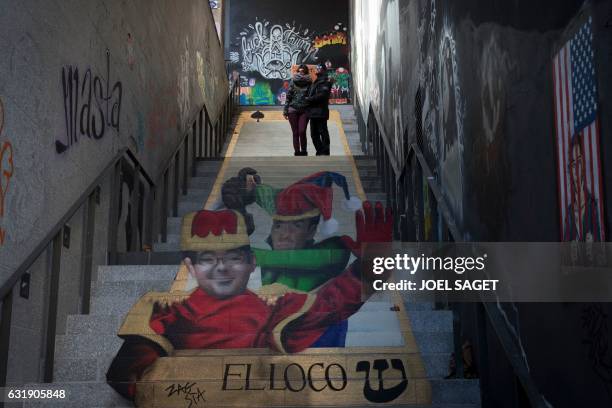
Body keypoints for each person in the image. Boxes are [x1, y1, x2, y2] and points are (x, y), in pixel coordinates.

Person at [106, 209, 372, 401]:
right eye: (208, 259)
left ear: (251, 262)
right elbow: (129, 373)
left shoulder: (275, 303)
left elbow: (332, 305)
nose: (221, 268)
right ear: (190, 267)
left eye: (233, 258)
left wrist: (371, 263)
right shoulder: (163, 309)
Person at [222, 169, 390, 347]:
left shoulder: (333, 249)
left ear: (311, 231)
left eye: (296, 225)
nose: (284, 235)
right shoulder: (270, 255)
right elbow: (275, 202)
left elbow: (294, 260)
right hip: (278, 331)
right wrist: (253, 189)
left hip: (321, 330)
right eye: (278, 226)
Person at [283, 64, 312, 156]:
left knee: (302, 131)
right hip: (293, 109)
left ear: (306, 71)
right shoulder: (293, 81)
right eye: (300, 69)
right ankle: (297, 151)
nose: (301, 70)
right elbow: (289, 96)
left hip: (305, 110)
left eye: (303, 69)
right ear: (298, 70)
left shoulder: (309, 82)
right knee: (295, 132)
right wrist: (285, 110)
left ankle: (304, 150)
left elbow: (311, 95)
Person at [306, 63, 333, 155]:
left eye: (319, 68)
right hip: (313, 112)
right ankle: (320, 151)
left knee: (323, 132)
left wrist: (309, 99)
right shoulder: (316, 81)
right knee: (314, 134)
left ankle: (325, 152)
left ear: (324, 70)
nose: (317, 69)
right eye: (316, 67)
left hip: (321, 112)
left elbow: (322, 96)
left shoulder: (325, 82)